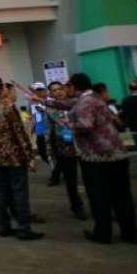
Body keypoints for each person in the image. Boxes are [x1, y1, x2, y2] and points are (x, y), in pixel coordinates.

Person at [68, 73, 137, 244]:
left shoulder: (84, 103)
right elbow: (68, 104)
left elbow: (86, 125)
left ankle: (103, 233)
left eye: (68, 86)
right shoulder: (95, 98)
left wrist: (68, 125)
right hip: (117, 154)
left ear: (74, 86)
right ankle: (130, 234)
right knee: (122, 197)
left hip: (97, 157)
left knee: (99, 197)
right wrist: (44, 100)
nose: (66, 90)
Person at [0, 77, 44, 241]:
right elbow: (19, 133)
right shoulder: (8, 107)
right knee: (19, 193)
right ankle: (24, 228)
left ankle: (3, 226)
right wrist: (30, 155)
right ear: (1, 89)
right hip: (13, 156)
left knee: (1, 193)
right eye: (5, 87)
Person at [44, 81, 87, 220]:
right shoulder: (51, 109)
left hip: (84, 145)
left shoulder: (76, 102)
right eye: (54, 90)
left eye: (60, 88)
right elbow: (53, 127)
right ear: (51, 94)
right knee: (71, 180)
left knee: (92, 178)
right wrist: (50, 151)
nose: (58, 92)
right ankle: (77, 207)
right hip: (65, 148)